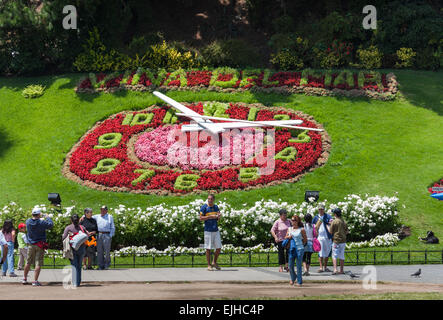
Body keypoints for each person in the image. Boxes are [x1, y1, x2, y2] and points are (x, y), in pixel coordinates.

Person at [23, 208, 54, 286]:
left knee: (28, 262)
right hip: (40, 244)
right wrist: (47, 217)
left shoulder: (28, 221)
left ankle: (24, 278)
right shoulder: (41, 222)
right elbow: (50, 225)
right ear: (39, 214)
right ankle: (35, 281)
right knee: (38, 263)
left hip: (31, 244)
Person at [62, 214, 87, 287]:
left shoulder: (68, 228)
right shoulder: (82, 227)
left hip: (72, 249)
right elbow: (86, 235)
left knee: (74, 265)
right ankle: (78, 282)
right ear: (78, 220)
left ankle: (74, 282)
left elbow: (64, 238)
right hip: (81, 248)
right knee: (79, 265)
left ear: (71, 220)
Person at [199, 194, 222, 271]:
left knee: (218, 248)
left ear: (213, 200)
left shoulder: (216, 207)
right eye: (208, 199)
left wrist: (219, 216)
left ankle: (214, 262)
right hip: (208, 230)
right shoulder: (204, 207)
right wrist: (209, 217)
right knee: (208, 248)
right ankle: (209, 265)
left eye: (211, 199)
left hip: (215, 230)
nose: (209, 200)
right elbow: (201, 218)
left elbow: (218, 217)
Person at [89, 206, 115, 270]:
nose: (102, 211)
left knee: (107, 251)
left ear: (106, 211)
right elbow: (89, 216)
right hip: (99, 234)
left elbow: (112, 227)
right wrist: (83, 217)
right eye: (101, 210)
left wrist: (110, 235)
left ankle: (107, 265)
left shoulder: (109, 217)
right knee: (99, 251)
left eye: (103, 210)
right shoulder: (97, 216)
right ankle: (100, 265)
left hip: (107, 234)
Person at [285, 215, 307, 287]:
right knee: (290, 266)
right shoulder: (289, 229)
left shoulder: (301, 229)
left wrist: (300, 245)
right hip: (291, 249)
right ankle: (293, 277)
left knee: (298, 266)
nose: (293, 222)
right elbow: (285, 237)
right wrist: (289, 237)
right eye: (292, 220)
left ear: (298, 221)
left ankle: (299, 281)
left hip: (299, 249)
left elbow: (305, 240)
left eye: (294, 220)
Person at [327, 208, 348, 275]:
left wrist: (328, 226)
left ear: (335, 214)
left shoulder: (334, 221)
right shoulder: (344, 221)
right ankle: (341, 270)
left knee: (334, 255)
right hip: (343, 240)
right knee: (342, 255)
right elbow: (347, 231)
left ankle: (335, 269)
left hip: (336, 240)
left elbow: (330, 232)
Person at [312, 204, 333, 273]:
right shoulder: (316, 217)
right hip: (319, 237)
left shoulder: (328, 216)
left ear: (324, 210)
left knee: (327, 252)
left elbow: (332, 223)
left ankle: (325, 267)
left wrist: (330, 222)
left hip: (327, 237)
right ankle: (321, 267)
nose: (321, 210)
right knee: (320, 252)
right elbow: (313, 226)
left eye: (322, 209)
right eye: (319, 209)